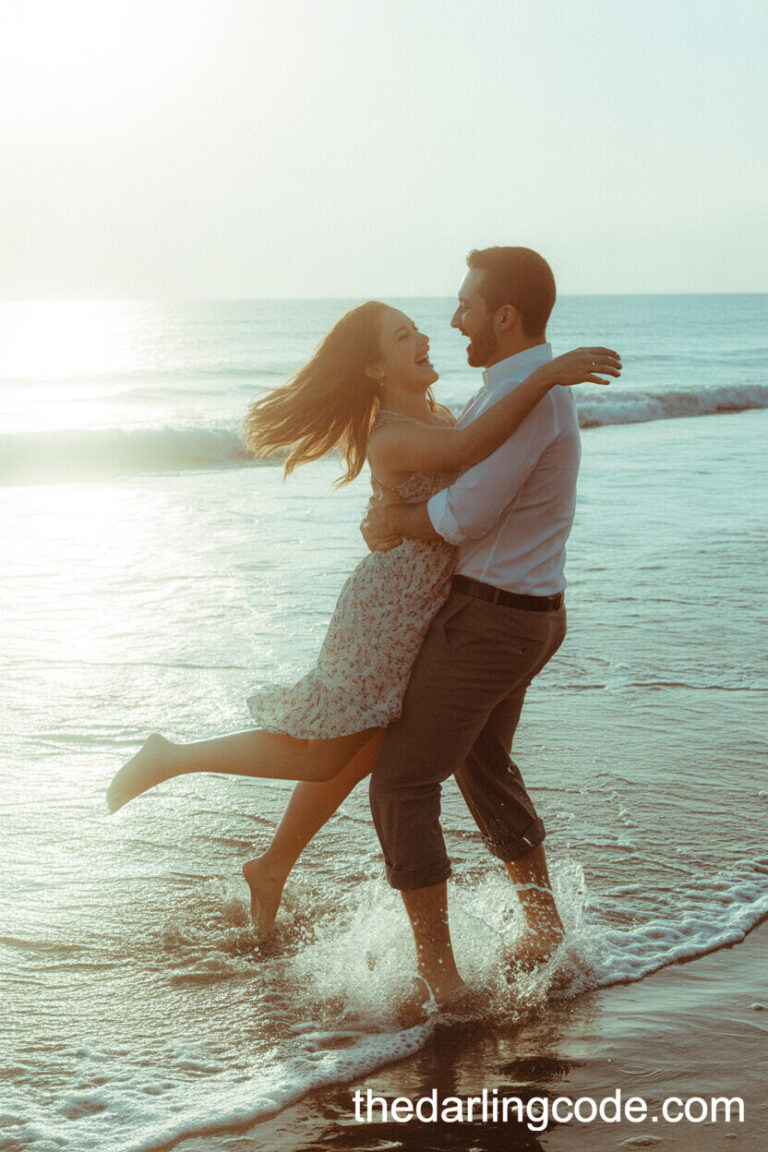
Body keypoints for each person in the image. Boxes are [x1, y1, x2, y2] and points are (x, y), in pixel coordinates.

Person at [106, 287, 619, 962]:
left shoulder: (436, 409)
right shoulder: (394, 433)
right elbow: (471, 446)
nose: (423, 338)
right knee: (327, 750)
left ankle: (271, 867)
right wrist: (548, 373)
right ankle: (171, 757)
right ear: (376, 369)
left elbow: (475, 450)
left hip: (423, 612)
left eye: (416, 330)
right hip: (385, 614)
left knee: (361, 750)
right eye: (404, 336)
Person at [355, 246, 596, 1007]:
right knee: (484, 765)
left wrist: (394, 517)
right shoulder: (514, 389)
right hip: (521, 611)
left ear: (504, 315)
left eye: (465, 304)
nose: (453, 317)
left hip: (493, 618)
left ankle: (443, 981)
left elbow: (467, 512)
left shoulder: (529, 392)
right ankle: (544, 926)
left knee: (400, 780)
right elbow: (462, 470)